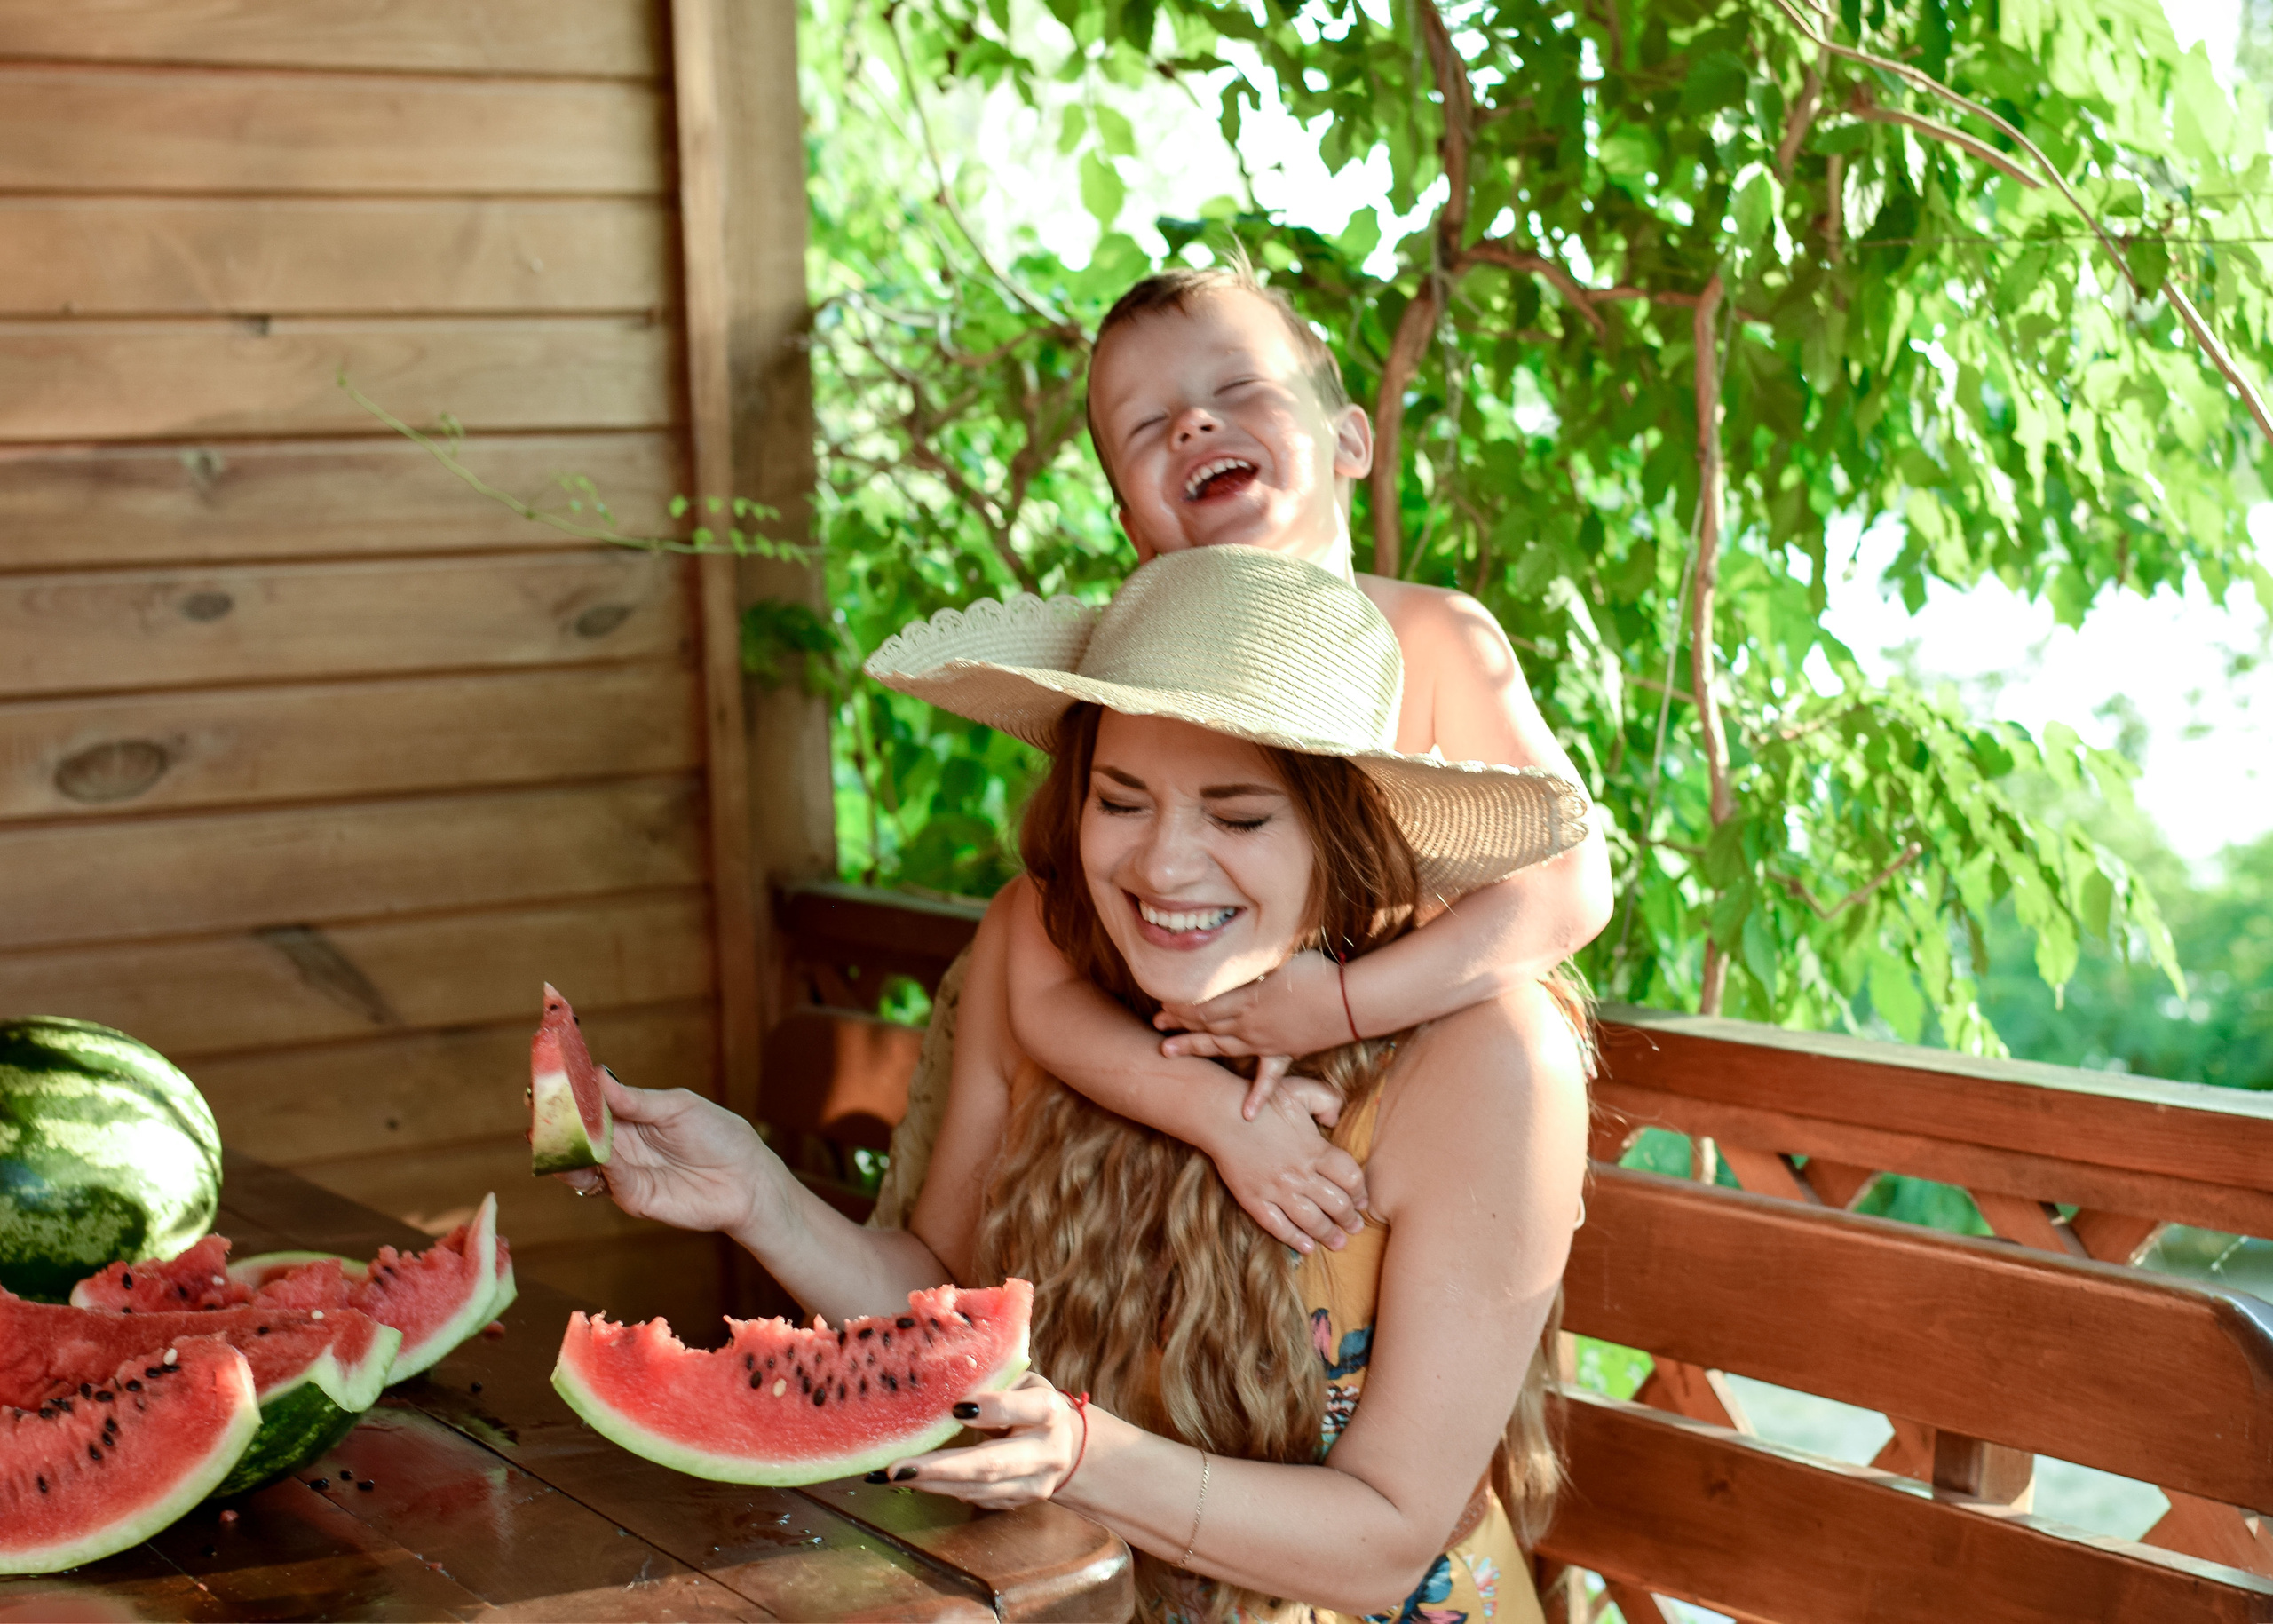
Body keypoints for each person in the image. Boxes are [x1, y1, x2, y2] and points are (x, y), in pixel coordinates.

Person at [568, 546, 1590, 1622]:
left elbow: (1386, 1542)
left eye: (1237, 817)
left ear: (1345, 835)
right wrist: (761, 1198)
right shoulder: (1050, 964)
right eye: (1120, 800)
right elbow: (943, 1305)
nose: (1163, 865)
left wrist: (1080, 1452)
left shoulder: (1489, 1056)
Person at [867, 262, 1612, 1257]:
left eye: (1237, 390)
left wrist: (1336, 1005)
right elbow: (1040, 981)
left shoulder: (1432, 638)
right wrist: (1217, 1115)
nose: (1192, 424)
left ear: (1350, 438)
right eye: (1148, 424)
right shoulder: (1133, 680)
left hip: (1390, 1116)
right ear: (1136, 529)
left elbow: (1567, 887)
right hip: (1140, 1133)